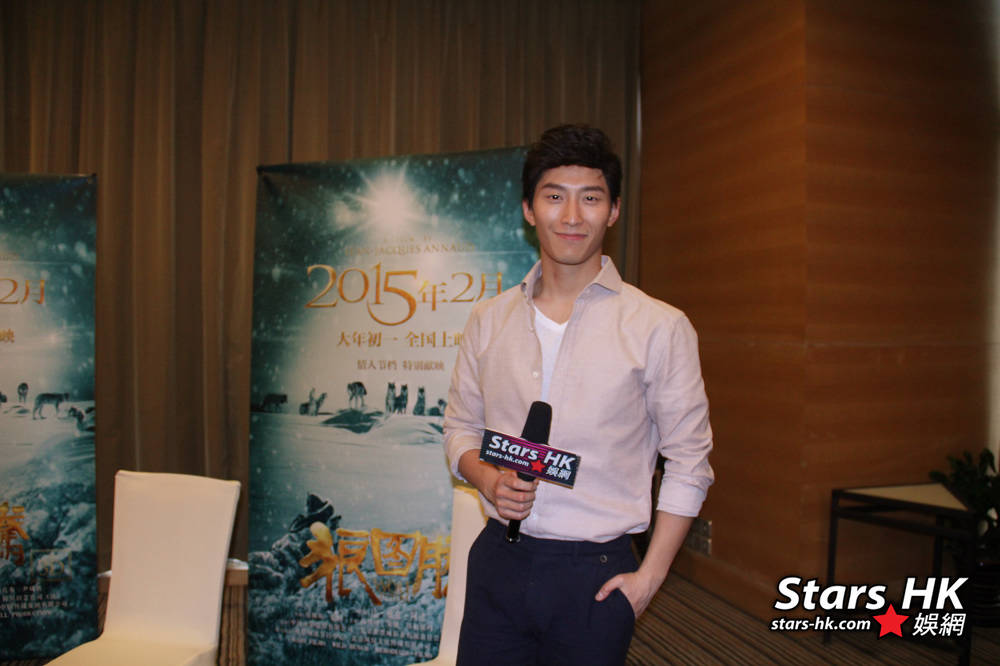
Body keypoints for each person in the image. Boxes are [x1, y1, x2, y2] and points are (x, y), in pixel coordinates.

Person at [443, 124, 714, 665]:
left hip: (595, 575)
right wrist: (487, 479)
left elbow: (689, 462)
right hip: (498, 561)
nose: (571, 216)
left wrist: (649, 579)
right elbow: (460, 430)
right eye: (554, 197)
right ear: (529, 209)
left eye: (590, 198)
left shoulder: (659, 327)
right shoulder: (488, 319)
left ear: (613, 211)